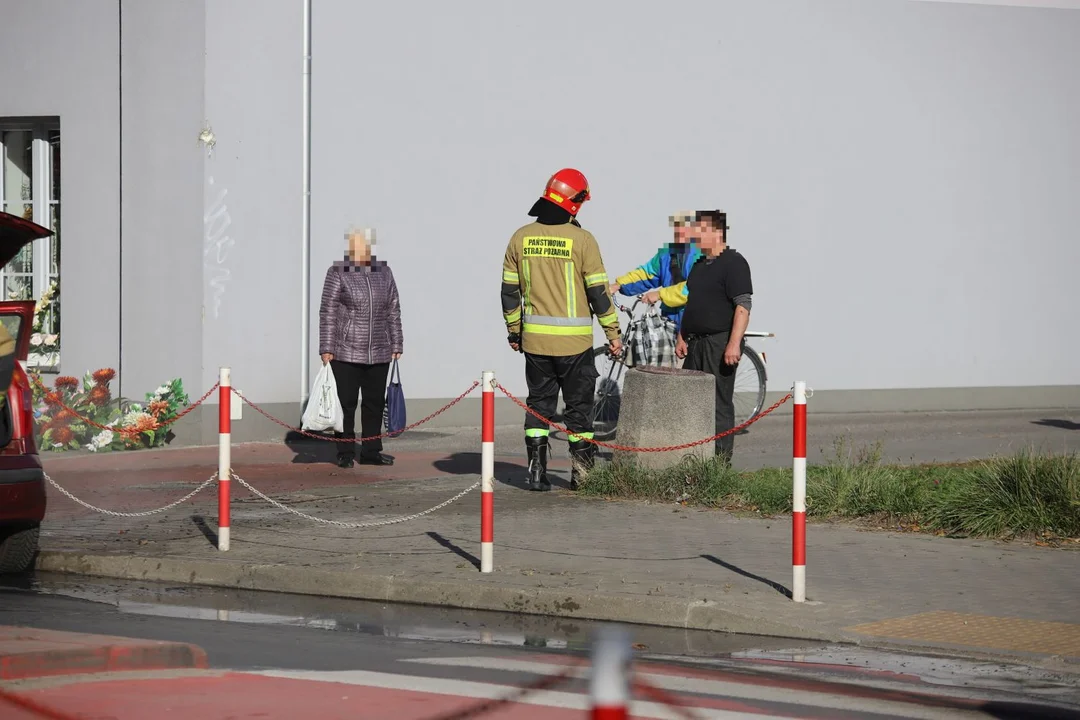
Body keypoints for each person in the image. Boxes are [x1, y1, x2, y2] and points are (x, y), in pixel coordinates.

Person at [501, 168, 622, 491]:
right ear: (575, 203)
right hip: (575, 345)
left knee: (539, 407)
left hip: (536, 343)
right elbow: (599, 293)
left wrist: (515, 331)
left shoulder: (520, 237)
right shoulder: (583, 241)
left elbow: (509, 292)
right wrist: (613, 334)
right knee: (579, 411)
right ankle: (583, 477)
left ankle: (536, 473)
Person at [318, 227, 403, 468]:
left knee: (374, 403)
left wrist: (396, 342)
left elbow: (393, 309)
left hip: (379, 350)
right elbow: (328, 312)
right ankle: (345, 452)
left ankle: (371, 451)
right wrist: (326, 347)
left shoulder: (384, 272)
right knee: (346, 404)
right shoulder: (337, 272)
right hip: (345, 351)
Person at [675, 210, 753, 465]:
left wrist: (733, 344)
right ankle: (692, 458)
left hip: (719, 342)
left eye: (700, 231)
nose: (695, 237)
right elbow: (692, 303)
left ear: (717, 232)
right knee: (690, 401)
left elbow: (743, 306)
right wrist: (682, 335)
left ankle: (720, 464)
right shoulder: (698, 267)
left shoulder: (734, 262)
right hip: (695, 343)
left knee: (719, 402)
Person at [608, 210, 701, 341]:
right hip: (670, 323)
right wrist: (619, 284)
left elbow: (694, 287)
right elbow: (646, 273)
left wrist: (659, 295)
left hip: (697, 324)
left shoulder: (703, 256)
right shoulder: (667, 254)